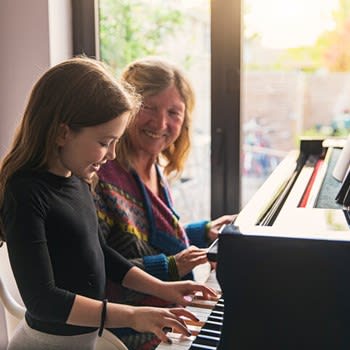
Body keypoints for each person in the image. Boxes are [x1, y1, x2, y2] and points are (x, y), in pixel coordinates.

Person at [0, 57, 218, 350]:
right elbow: (43, 302)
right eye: (105, 142)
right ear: (63, 132)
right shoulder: (25, 193)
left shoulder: (77, 179)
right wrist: (132, 315)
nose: (112, 155)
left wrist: (163, 288)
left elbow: (102, 253)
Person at [95, 56, 235, 349]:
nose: (161, 123)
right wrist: (170, 267)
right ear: (127, 107)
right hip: (126, 331)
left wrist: (204, 231)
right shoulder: (102, 175)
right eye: (149, 107)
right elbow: (97, 270)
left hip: (168, 312)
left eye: (174, 112)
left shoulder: (155, 167)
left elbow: (148, 238)